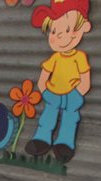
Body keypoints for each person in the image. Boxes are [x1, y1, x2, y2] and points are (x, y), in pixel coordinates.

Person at [24, 0, 93, 163]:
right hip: (52, 93)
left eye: (67, 29)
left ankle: (64, 144)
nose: (59, 36)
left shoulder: (79, 57)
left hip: (72, 94)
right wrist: (44, 90)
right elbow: (44, 76)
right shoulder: (54, 58)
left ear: (84, 28)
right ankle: (42, 139)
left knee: (70, 118)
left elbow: (85, 79)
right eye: (54, 31)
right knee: (48, 116)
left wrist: (78, 93)